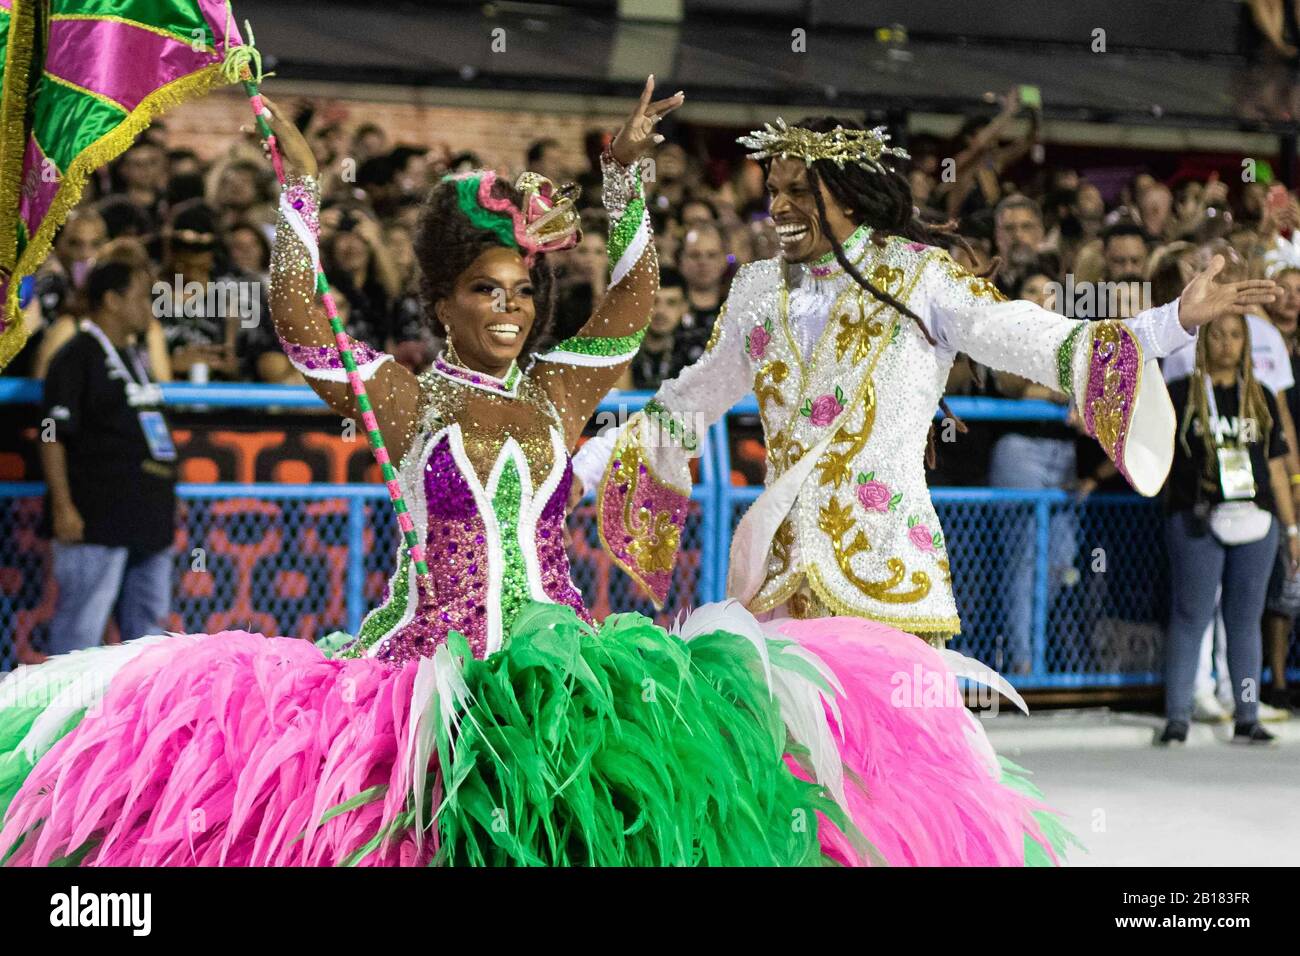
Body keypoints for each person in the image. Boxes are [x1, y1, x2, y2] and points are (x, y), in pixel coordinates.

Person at [1, 82, 1076, 869]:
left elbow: (635, 299)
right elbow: (300, 324)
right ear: (441, 299)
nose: (510, 307)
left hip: (564, 679)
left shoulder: (562, 390)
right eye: (484, 289)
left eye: (520, 286)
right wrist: (295, 197)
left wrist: (623, 186)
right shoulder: (406, 399)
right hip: (422, 678)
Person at [573, 116, 1277, 652]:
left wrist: (1168, 325)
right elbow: (688, 403)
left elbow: (1034, 339)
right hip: (779, 579)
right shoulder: (757, 290)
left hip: (889, 573)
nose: (778, 207)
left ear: (844, 192)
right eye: (774, 191)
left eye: (798, 191)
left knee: (885, 807)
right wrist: (577, 471)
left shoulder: (919, 277)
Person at [1158, 313, 1299, 744]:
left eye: (1235, 336)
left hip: (1256, 518)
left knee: (1245, 620)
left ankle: (1247, 714)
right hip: (1196, 516)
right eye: (1216, 335)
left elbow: (1276, 466)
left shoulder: (1259, 396)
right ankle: (1177, 716)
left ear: (1246, 344)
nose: (1225, 344)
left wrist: (1292, 530)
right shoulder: (1180, 394)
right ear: (1203, 344)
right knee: (1190, 615)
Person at [35, 257, 177, 659]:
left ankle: (137, 721)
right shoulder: (76, 357)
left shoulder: (138, 357)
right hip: (95, 520)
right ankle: (64, 720)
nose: (149, 307)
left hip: (148, 518)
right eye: (141, 297)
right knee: (80, 634)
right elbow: (52, 436)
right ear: (112, 300)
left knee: (149, 642)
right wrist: (63, 507)